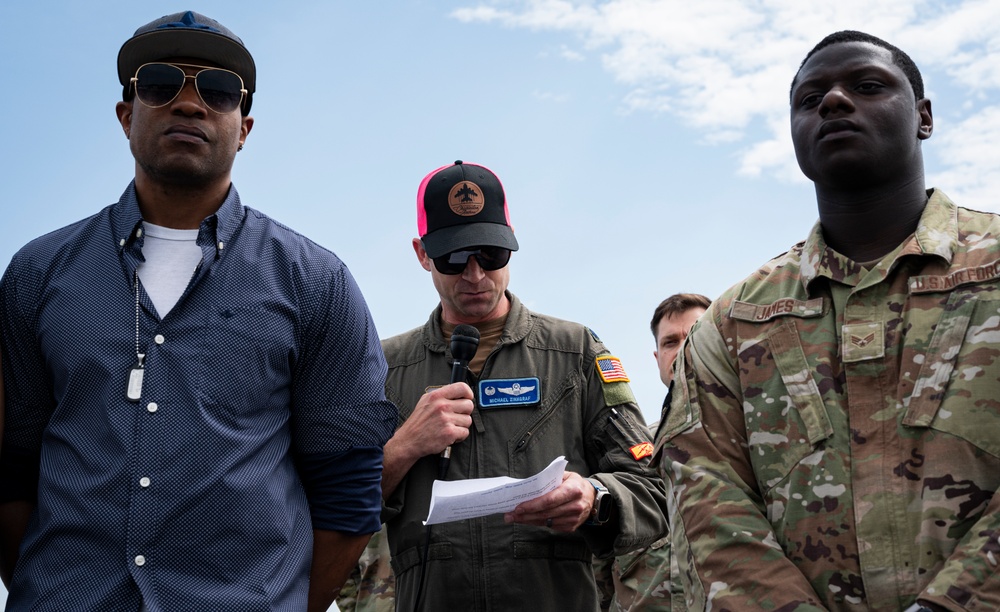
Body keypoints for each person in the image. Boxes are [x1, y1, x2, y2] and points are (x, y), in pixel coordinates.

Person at [0, 11, 396, 611]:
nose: (189, 104)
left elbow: (348, 488)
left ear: (244, 128)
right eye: (160, 83)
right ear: (126, 114)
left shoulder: (317, 283)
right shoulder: (38, 274)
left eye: (217, 90)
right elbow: (11, 466)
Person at [656, 30, 1000, 612]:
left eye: (867, 87)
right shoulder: (735, 322)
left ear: (924, 117)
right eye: (810, 100)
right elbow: (706, 501)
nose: (834, 102)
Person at [379, 160, 667, 611]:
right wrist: (403, 447)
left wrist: (596, 499)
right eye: (454, 258)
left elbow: (654, 489)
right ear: (421, 254)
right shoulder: (383, 368)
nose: (475, 275)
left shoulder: (576, 352)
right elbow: (329, 503)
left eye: (491, 255)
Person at [593, 293, 710, 611]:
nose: (683, 349)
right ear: (657, 358)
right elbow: (600, 563)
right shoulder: (628, 454)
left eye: (696, 334)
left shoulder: (762, 442)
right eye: (671, 342)